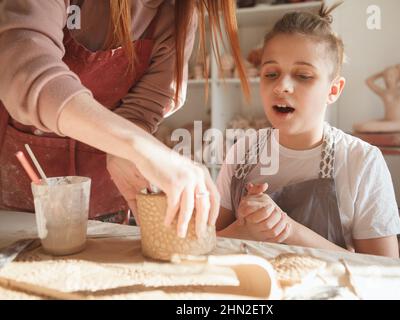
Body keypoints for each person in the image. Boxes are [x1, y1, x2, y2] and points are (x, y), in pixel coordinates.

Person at [0, 0, 249, 238]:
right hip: (19, 180)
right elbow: (24, 70)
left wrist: (124, 152)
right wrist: (140, 147)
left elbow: (142, 109)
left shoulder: (177, 13)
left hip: (104, 190)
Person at [215, 4, 400, 257]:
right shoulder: (241, 152)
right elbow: (207, 246)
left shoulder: (361, 162)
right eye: (271, 73)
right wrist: (243, 229)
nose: (282, 86)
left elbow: (384, 272)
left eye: (303, 75)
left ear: (333, 90)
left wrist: (289, 231)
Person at [353, 64, 400, 133]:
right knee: (357, 125)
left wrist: (388, 71)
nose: (388, 78)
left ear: (397, 77)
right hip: (386, 121)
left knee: (363, 127)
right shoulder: (384, 92)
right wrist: (383, 73)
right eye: (386, 76)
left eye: (391, 76)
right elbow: (368, 81)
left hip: (398, 123)